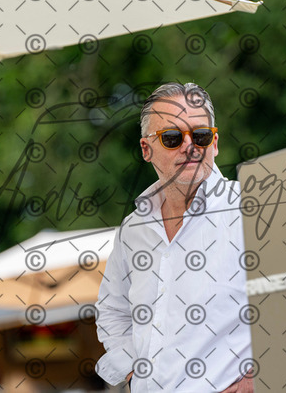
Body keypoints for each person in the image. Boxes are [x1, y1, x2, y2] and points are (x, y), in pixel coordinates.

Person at [94, 82, 253, 392]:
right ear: (146, 149)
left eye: (201, 135)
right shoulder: (133, 230)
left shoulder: (251, 208)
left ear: (214, 143)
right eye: (171, 137)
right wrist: (133, 373)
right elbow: (112, 311)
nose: (189, 146)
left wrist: (259, 377)